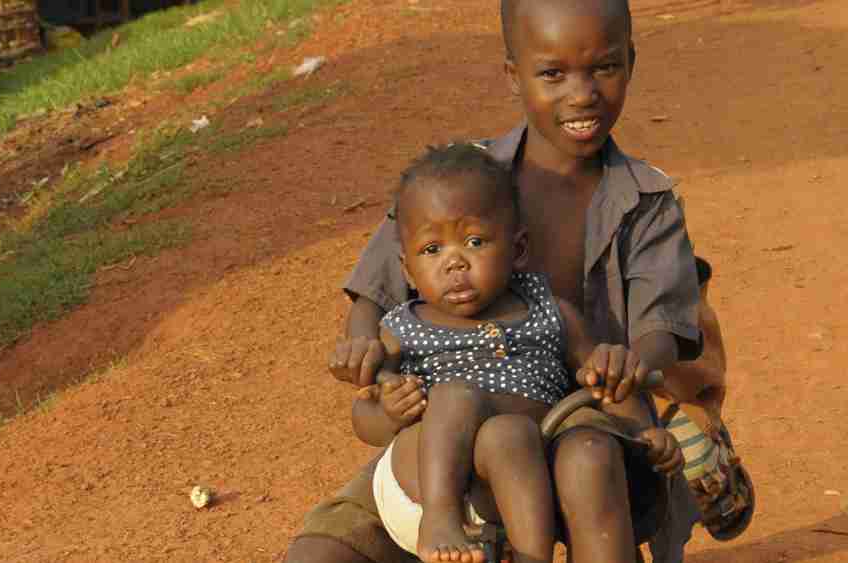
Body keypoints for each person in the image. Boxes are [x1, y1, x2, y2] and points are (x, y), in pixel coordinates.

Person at [285, 0, 750, 562]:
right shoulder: (459, 180)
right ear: (513, 74)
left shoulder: (647, 200)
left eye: (604, 67)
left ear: (630, 62)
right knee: (321, 552)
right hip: (453, 436)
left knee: (593, 462)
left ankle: (692, 438)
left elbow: (662, 330)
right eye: (552, 73)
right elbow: (374, 296)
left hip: (588, 415)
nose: (582, 94)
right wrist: (363, 350)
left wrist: (628, 364)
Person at [351, 143, 683, 563]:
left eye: (474, 241)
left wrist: (642, 431)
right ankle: (441, 518)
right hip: (445, 475)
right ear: (406, 269)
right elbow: (364, 414)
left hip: (535, 455)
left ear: (518, 249)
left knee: (556, 443)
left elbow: (603, 380)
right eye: (432, 250)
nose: (454, 263)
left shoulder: (550, 311)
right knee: (455, 395)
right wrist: (388, 413)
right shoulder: (402, 328)